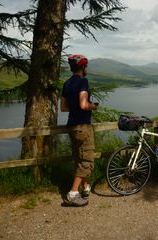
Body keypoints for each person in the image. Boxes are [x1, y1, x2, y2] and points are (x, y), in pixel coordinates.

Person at [60, 54, 98, 207]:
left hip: (71, 126)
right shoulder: (83, 81)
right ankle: (73, 194)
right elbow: (83, 105)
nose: (86, 69)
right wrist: (93, 106)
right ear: (82, 67)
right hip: (83, 126)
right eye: (86, 66)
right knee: (86, 160)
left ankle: (85, 187)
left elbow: (63, 108)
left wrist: (75, 106)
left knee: (78, 158)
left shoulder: (67, 83)